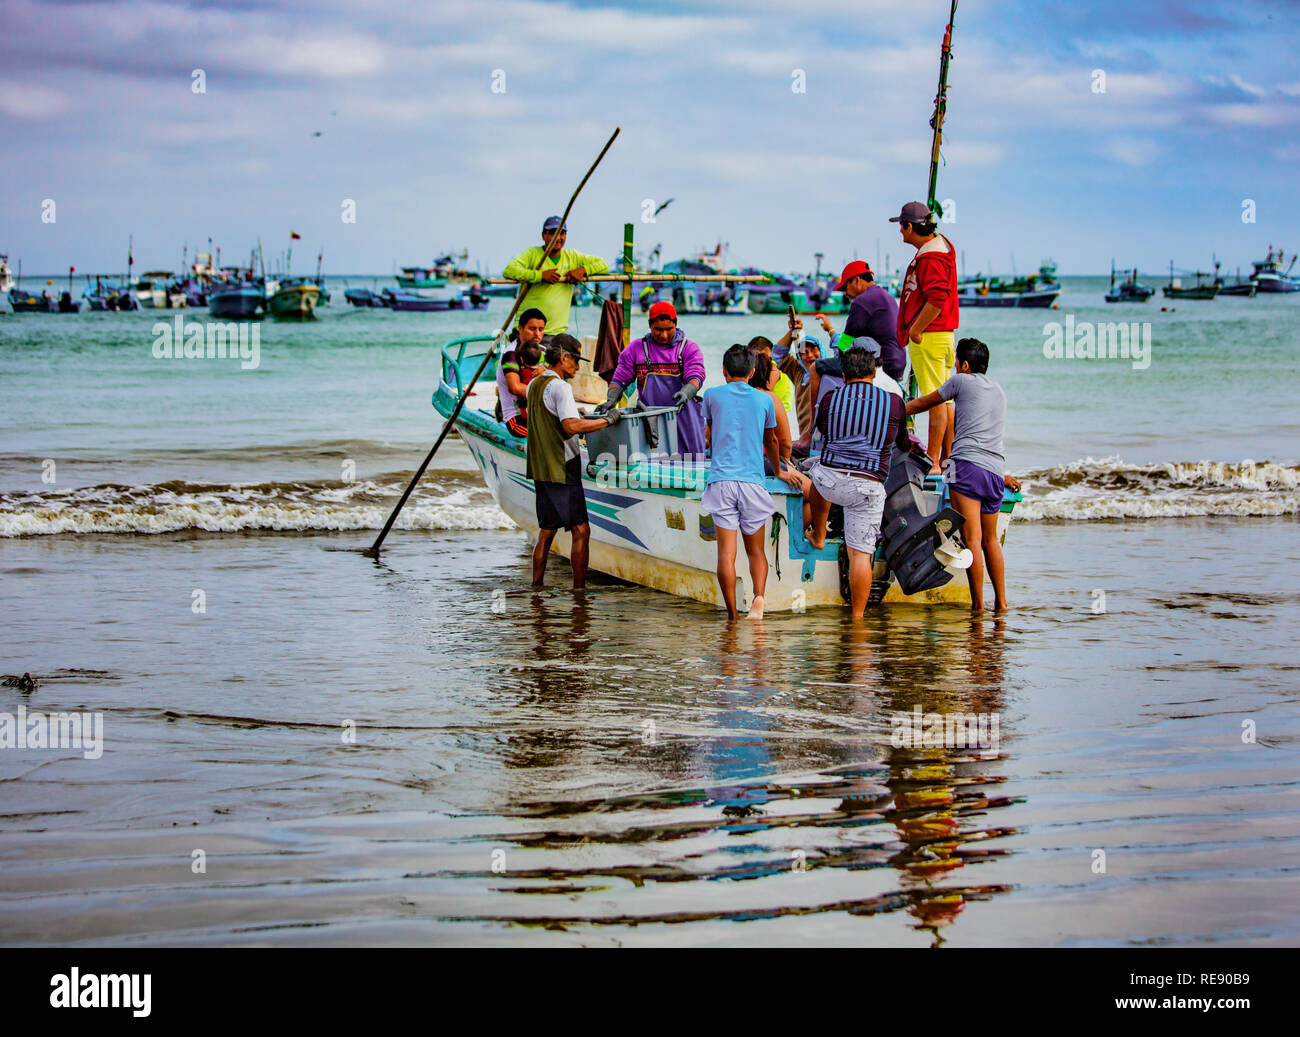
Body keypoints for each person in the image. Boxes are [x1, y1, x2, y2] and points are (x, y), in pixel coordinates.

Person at [906, 337, 1021, 612]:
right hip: (995, 472)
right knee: (990, 540)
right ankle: (1002, 604)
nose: (955, 368)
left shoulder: (961, 381)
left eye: (956, 363)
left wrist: (897, 409)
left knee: (972, 540)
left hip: (965, 467)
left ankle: (978, 607)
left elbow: (927, 402)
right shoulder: (999, 390)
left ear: (965, 365)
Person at [805, 346, 912, 618]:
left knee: (816, 471)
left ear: (842, 374)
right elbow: (902, 443)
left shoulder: (831, 398)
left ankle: (819, 534)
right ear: (874, 373)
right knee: (860, 556)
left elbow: (824, 432)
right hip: (868, 487)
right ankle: (858, 618)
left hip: (831, 481)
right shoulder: (894, 403)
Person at [701, 344, 802, 620]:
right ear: (753, 371)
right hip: (752, 482)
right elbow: (771, 439)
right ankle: (758, 599)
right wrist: (780, 470)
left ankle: (733, 615)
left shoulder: (710, 396)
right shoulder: (765, 400)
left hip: (722, 481)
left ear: (723, 371)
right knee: (756, 550)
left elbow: (708, 436)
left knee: (726, 554)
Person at [525, 335, 620, 589]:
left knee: (546, 531)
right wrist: (607, 421)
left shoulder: (534, 384)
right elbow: (569, 426)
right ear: (564, 357)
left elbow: (552, 418)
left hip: (539, 467)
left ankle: (537, 588)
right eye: (576, 360)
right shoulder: (561, 387)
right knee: (581, 531)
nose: (578, 367)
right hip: (561, 466)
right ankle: (579, 592)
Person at [891, 201, 960, 473]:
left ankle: (933, 460)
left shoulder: (930, 257)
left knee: (934, 398)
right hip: (942, 334)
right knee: (945, 397)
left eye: (901, 227)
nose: (900, 233)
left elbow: (937, 297)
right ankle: (946, 456)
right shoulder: (940, 245)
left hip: (930, 335)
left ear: (910, 227)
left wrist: (917, 328)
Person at [598, 301, 706, 457]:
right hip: (650, 421)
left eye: (669, 329)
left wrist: (687, 392)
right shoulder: (636, 349)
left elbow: (696, 376)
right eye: (658, 330)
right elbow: (619, 380)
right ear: (649, 326)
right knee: (653, 462)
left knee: (690, 462)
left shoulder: (689, 349)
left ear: (676, 324)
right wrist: (611, 399)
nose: (664, 335)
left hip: (685, 419)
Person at [502, 216, 609, 336]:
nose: (558, 238)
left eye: (562, 233)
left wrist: (583, 270)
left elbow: (604, 265)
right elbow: (509, 271)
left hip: (556, 333)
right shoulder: (532, 254)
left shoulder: (572, 257)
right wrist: (540, 276)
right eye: (553, 233)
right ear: (544, 236)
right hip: (528, 332)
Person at [820, 261, 904, 381]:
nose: (846, 293)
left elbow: (845, 344)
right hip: (898, 363)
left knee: (815, 368)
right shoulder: (888, 296)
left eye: (845, 287)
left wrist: (839, 360)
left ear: (856, 280)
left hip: (881, 366)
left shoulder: (861, 301)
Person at [496, 307, 547, 437]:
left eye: (541, 329)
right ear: (520, 328)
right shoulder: (511, 354)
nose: (537, 334)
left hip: (536, 415)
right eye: (532, 329)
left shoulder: (543, 351)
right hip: (516, 419)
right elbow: (515, 387)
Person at [745, 336, 799, 438]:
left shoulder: (772, 367)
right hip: (780, 412)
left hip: (773, 414)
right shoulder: (779, 366)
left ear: (767, 351)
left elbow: (765, 392)